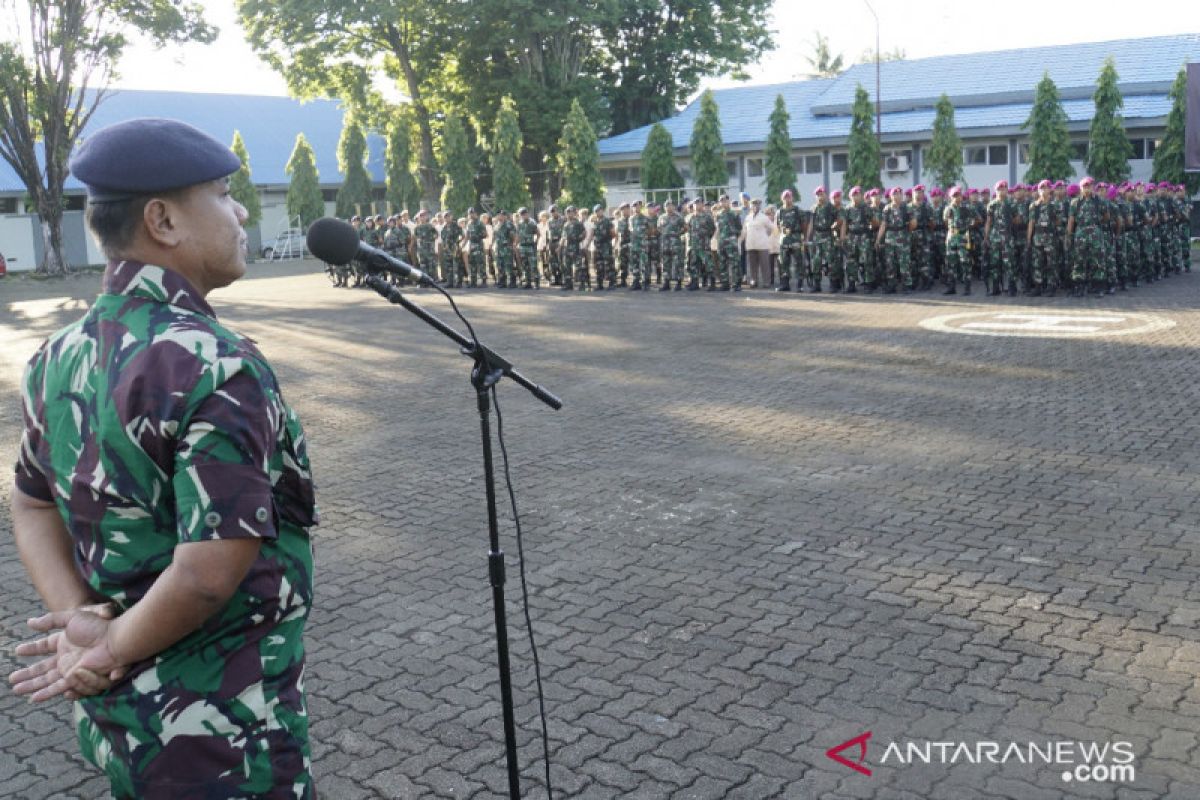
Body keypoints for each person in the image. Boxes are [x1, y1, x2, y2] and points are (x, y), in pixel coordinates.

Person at [7, 118, 316, 798]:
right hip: (224, 733)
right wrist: (102, 646)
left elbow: (29, 502)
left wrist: (82, 621)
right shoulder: (216, 365)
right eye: (223, 193)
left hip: (123, 722)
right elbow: (208, 575)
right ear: (163, 220)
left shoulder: (56, 356)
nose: (241, 213)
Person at [741, 198, 773, 289]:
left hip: (762, 245)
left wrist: (766, 236)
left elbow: (771, 228)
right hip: (751, 244)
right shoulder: (748, 218)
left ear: (759, 206)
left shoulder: (764, 217)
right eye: (753, 205)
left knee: (764, 265)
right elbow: (744, 231)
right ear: (750, 206)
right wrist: (740, 241)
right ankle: (753, 280)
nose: (755, 206)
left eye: (757, 205)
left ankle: (766, 282)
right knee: (752, 265)